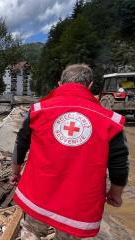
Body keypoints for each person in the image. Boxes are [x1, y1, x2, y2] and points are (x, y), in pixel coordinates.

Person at [10, 64, 129, 239]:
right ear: (90, 86)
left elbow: (21, 143)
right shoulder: (110, 121)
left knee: (31, 232)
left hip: (37, 194)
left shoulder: (39, 110)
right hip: (76, 205)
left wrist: (15, 172)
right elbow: (119, 162)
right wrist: (115, 193)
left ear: (59, 84)